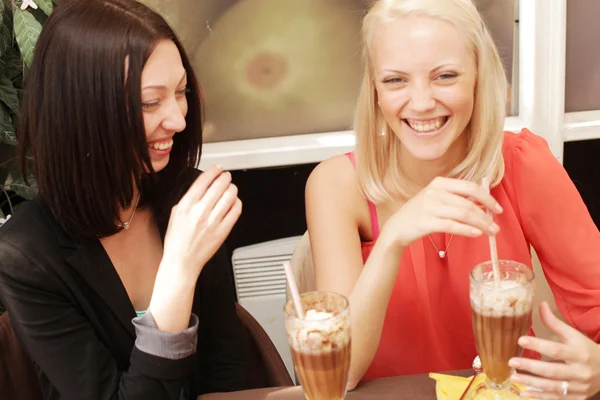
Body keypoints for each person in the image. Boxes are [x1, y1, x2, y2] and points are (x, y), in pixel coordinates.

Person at [305, 0, 600, 398]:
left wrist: (596, 367)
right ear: (374, 90)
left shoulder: (522, 163)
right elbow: (339, 375)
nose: (422, 102)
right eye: (395, 80)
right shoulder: (335, 185)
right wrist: (392, 239)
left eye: (445, 76)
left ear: (479, 77)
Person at [0, 0, 246, 399]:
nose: (179, 120)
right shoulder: (26, 257)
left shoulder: (187, 200)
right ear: (83, 110)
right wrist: (179, 273)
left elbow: (228, 369)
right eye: (150, 102)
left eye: (181, 92)